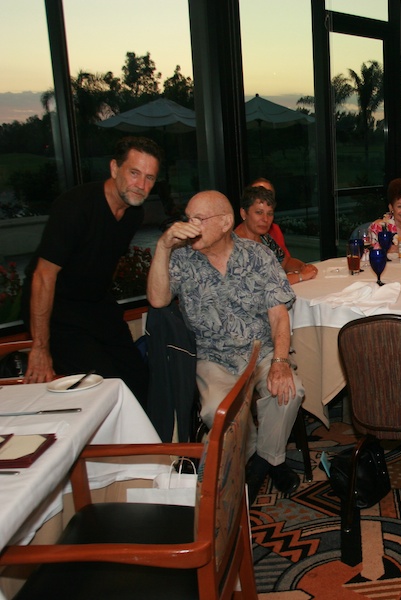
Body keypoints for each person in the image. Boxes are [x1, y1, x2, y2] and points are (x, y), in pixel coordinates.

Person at [147, 190, 304, 501]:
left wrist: (281, 363)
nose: (190, 226)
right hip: (212, 357)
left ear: (225, 223)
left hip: (260, 351)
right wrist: (163, 247)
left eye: (198, 219)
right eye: (188, 219)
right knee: (218, 413)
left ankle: (258, 465)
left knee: (290, 392)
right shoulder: (181, 258)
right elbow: (157, 299)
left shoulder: (258, 256)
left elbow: (278, 317)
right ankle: (268, 459)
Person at [22, 136, 161, 407]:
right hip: (57, 309)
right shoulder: (75, 207)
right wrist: (40, 348)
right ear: (113, 168)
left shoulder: (134, 213)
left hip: (94, 303)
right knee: (104, 388)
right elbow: (42, 276)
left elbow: (104, 258)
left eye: (150, 178)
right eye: (134, 173)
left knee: (140, 378)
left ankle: (143, 447)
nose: (141, 185)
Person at [235, 184, 317, 284]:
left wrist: (303, 267)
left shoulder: (265, 238)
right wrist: (301, 276)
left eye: (269, 214)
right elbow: (262, 284)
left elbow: (286, 262)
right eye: (259, 212)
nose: (265, 219)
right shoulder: (235, 245)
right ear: (243, 213)